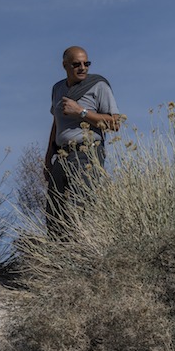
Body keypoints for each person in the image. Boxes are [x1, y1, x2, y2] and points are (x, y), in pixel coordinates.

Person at [44, 46, 120, 236]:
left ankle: (85, 252)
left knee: (82, 206)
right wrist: (48, 158)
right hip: (62, 156)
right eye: (76, 64)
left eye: (86, 63)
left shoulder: (99, 85)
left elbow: (115, 123)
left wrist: (81, 112)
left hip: (88, 153)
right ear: (65, 65)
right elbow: (56, 123)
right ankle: (58, 256)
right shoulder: (57, 88)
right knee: (54, 210)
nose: (83, 68)